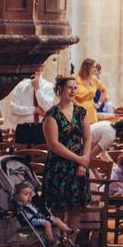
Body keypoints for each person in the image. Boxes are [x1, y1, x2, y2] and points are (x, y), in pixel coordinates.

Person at [42, 76, 92, 232]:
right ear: (61, 90)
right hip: (59, 166)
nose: (73, 91)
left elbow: (88, 138)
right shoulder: (52, 114)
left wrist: (84, 162)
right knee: (58, 209)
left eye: (75, 88)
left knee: (75, 209)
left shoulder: (81, 112)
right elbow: (54, 145)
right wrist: (79, 159)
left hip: (79, 166)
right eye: (70, 87)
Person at [14, 182, 75, 247]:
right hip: (32, 220)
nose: (29, 197)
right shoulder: (19, 205)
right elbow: (18, 209)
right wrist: (16, 199)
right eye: (25, 194)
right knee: (47, 223)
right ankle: (50, 240)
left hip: (40, 217)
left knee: (57, 219)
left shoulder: (30, 203)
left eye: (30, 195)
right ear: (17, 196)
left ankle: (68, 230)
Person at [7, 70, 56, 142]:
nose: (35, 71)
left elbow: (47, 108)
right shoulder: (20, 86)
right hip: (23, 129)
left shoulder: (49, 86)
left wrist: (37, 89)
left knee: (40, 153)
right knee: (21, 153)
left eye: (38, 68)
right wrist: (34, 110)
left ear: (42, 68)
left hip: (41, 128)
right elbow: (14, 108)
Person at [74, 58, 107, 124]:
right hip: (78, 109)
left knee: (92, 131)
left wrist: (99, 103)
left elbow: (104, 90)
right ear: (87, 67)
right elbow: (69, 94)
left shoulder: (94, 80)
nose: (95, 69)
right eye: (93, 67)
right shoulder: (76, 79)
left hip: (91, 111)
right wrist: (75, 104)